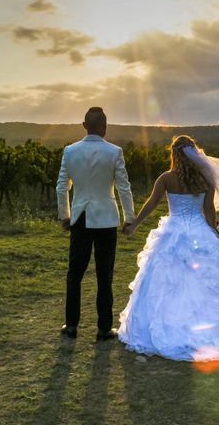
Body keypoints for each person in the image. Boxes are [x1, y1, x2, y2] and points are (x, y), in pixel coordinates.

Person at [118, 135, 219, 361]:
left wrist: (134, 225)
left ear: (174, 155)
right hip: (200, 233)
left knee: (167, 282)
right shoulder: (205, 179)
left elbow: (152, 204)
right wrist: (216, 232)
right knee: (202, 282)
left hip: (173, 233)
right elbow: (209, 211)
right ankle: (205, 328)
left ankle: (172, 324)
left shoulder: (166, 178)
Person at [56, 107, 135, 341]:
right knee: (105, 274)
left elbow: (62, 186)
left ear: (84, 125)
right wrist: (129, 218)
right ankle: (103, 328)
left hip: (79, 218)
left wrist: (64, 215)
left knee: (75, 273)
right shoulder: (114, 152)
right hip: (106, 220)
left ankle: (71, 326)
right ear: (105, 126)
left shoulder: (70, 151)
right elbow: (124, 187)